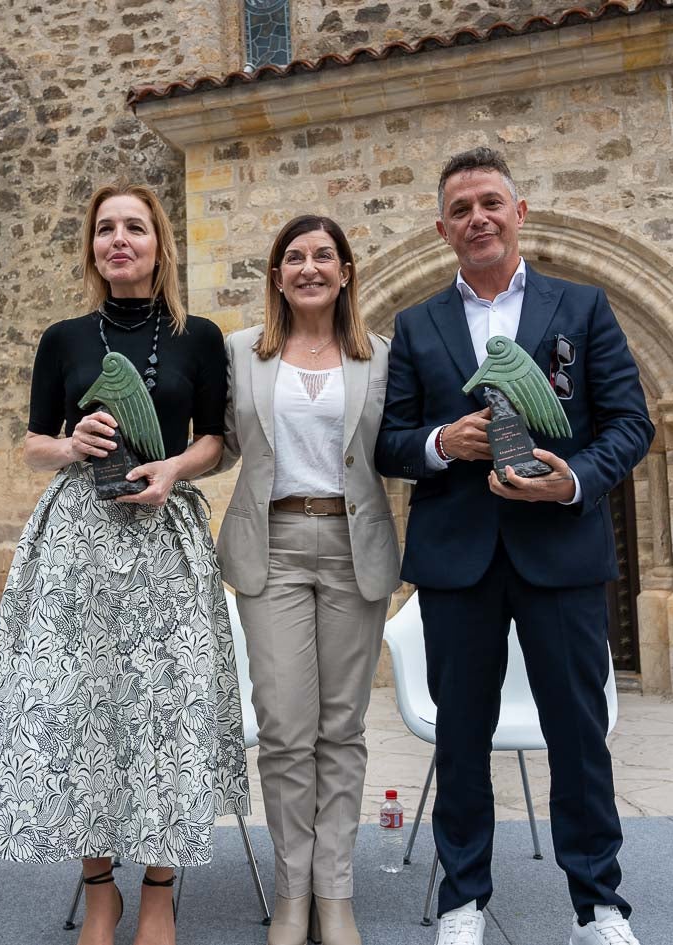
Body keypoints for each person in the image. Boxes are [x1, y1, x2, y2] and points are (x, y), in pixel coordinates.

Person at [0, 182, 250, 945]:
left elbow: (215, 440)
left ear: (159, 244)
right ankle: (98, 890)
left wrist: (173, 470)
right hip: (77, 542)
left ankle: (157, 889)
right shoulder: (63, 337)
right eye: (105, 229)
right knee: (80, 708)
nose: (119, 240)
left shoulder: (199, 336)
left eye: (135, 228)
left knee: (160, 711)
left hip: (163, 535)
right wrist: (69, 443)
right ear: (92, 246)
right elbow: (30, 442)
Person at [374, 147, 654, 945]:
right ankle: (463, 902)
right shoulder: (416, 323)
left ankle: (598, 907)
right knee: (460, 738)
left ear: (518, 212)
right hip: (456, 562)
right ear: (441, 228)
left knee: (577, 735)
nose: (477, 219)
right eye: (460, 209)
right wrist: (440, 441)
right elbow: (390, 442)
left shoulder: (583, 307)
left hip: (561, 552)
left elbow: (631, 424)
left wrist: (571, 480)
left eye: (490, 202)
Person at [218, 215, 401, 945]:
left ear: (345, 270)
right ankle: (293, 892)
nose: (308, 267)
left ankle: (337, 892)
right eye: (293, 257)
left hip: (354, 546)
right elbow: (214, 443)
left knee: (342, 729)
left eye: (323, 255)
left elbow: (408, 444)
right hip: (273, 543)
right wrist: (153, 459)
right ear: (275, 275)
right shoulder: (240, 353)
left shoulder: (381, 356)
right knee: (288, 731)